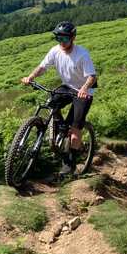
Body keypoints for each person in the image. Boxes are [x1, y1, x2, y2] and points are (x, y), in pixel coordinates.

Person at [21, 21, 97, 176]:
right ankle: (61, 128)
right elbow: (43, 67)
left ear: (73, 38)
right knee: (51, 103)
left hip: (83, 91)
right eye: (58, 38)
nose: (62, 42)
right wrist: (31, 77)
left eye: (65, 39)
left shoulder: (82, 54)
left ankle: (70, 164)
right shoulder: (55, 51)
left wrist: (84, 89)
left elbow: (92, 77)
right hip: (67, 87)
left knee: (75, 130)